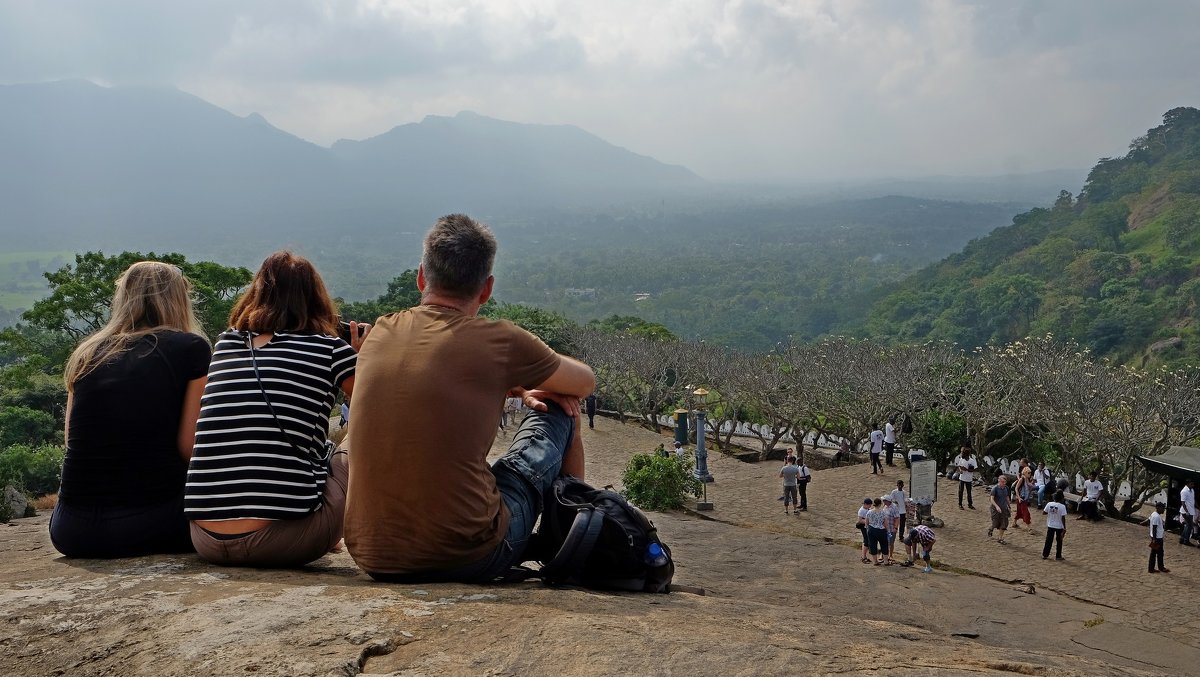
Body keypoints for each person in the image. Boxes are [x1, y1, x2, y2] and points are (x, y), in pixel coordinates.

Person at [344, 214, 596, 583]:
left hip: (372, 553)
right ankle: (572, 537)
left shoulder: (382, 330)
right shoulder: (502, 342)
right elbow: (585, 382)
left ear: (421, 277)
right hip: (468, 554)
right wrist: (529, 381)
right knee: (561, 406)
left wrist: (514, 385)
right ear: (487, 288)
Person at [185, 252, 365, 568]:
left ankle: (311, 520)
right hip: (281, 542)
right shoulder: (331, 349)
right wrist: (362, 358)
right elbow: (376, 411)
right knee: (356, 438)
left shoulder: (227, 343)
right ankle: (324, 526)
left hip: (205, 540)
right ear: (316, 298)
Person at [50, 262, 211, 558]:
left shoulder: (88, 353)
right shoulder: (191, 349)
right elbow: (191, 447)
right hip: (151, 524)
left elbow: (72, 440)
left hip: (70, 530)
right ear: (178, 300)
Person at [1043, 491, 1067, 560]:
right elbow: (1063, 518)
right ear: (1061, 499)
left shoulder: (1049, 504)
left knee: (1048, 540)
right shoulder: (1062, 506)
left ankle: (1045, 554)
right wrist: (1064, 527)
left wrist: (1051, 512)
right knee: (1059, 541)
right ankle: (1058, 556)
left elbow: (1044, 512)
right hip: (1059, 526)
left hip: (1050, 525)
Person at [1147, 502, 1169, 574]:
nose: (1164, 510)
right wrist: (1154, 539)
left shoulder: (1154, 514)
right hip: (1157, 538)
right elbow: (1154, 528)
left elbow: (1149, 519)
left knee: (1156, 553)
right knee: (1158, 553)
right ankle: (1159, 567)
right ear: (1158, 508)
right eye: (1163, 508)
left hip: (1155, 537)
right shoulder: (1156, 517)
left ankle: (1154, 568)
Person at [989, 475, 1011, 544]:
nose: (1004, 483)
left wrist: (1009, 506)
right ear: (999, 481)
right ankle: (991, 528)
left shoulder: (1006, 488)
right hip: (995, 509)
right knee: (995, 523)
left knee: (1004, 523)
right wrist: (996, 506)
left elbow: (1007, 497)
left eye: (1005, 482)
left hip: (1004, 509)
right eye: (1002, 482)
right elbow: (991, 499)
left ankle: (1000, 538)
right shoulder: (994, 489)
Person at [865, 498, 888, 565]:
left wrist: (867, 529)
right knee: (884, 545)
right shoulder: (883, 512)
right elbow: (885, 522)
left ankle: (875, 561)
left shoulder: (869, 512)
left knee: (873, 545)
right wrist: (887, 530)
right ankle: (886, 561)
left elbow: (867, 522)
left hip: (872, 529)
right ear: (880, 504)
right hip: (881, 530)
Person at [1012, 467, 1033, 531]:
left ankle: (1014, 523)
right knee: (1026, 513)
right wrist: (1018, 497)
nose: (1030, 474)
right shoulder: (1022, 479)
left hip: (1024, 499)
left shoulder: (1026, 479)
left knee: (1019, 512)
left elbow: (1029, 485)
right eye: (1028, 473)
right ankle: (1029, 527)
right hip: (1021, 498)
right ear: (1025, 473)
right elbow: (1016, 488)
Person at [882, 495, 899, 564]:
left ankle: (890, 555)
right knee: (884, 542)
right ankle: (882, 554)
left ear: (888, 501)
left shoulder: (894, 507)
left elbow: (897, 518)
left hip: (891, 528)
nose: (883, 501)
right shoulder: (885, 506)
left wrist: (896, 527)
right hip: (885, 528)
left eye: (884, 500)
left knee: (891, 542)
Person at [1179, 479, 1195, 546]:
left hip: (1191, 510)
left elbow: (1192, 500)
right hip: (1186, 511)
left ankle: (1182, 538)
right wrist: (1187, 511)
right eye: (1191, 484)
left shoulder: (1192, 490)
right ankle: (1186, 540)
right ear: (1188, 484)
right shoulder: (1184, 491)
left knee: (1188, 525)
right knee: (1190, 526)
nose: (1193, 485)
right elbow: (1183, 502)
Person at [857, 498, 873, 564]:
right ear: (866, 504)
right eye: (869, 505)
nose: (870, 506)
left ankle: (865, 556)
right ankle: (863, 557)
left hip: (867, 526)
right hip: (864, 527)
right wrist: (868, 522)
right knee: (866, 541)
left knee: (867, 540)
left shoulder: (867, 509)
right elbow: (860, 520)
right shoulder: (861, 510)